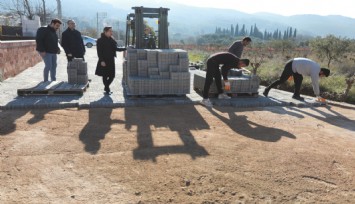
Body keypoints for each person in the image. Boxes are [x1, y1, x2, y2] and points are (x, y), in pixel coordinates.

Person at [263, 58, 330, 100]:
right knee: (282, 80)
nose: (321, 77)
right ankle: (267, 89)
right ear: (322, 72)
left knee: (299, 79)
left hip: (296, 67)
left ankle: (296, 95)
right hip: (291, 65)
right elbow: (315, 83)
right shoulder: (316, 71)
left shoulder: (316, 67)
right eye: (322, 75)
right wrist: (318, 95)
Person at [95, 26, 126, 95]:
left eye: (111, 31)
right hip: (104, 60)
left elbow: (116, 49)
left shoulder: (112, 40)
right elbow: (99, 52)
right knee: (105, 75)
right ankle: (107, 89)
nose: (111, 32)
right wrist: (102, 61)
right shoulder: (100, 40)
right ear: (105, 32)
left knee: (112, 76)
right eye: (110, 31)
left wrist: (125, 49)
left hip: (111, 60)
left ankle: (106, 87)